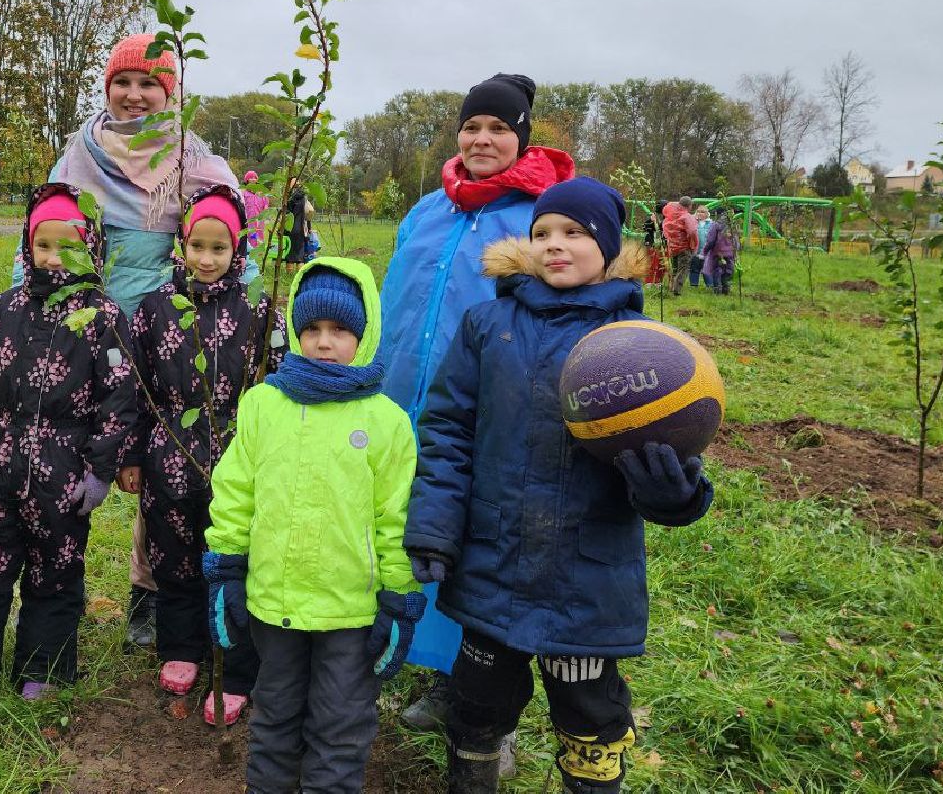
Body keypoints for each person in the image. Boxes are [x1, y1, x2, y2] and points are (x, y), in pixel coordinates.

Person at [404, 176, 715, 792]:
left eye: (574, 232)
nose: (555, 244)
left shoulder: (636, 347)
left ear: (608, 244)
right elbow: (448, 432)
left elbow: (677, 453)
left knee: (592, 717)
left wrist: (670, 492)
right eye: (542, 232)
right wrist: (435, 528)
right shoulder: (487, 326)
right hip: (495, 564)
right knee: (477, 704)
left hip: (588, 579)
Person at [12, 32, 251, 648]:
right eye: (124, 81)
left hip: (164, 340)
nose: (136, 95)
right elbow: (44, 239)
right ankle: (52, 588)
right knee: (71, 459)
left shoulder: (192, 160)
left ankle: (150, 593)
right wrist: (30, 310)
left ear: (169, 93)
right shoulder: (78, 156)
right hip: (84, 338)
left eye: (150, 84)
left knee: (165, 467)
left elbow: (229, 238)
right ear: (107, 87)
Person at [376, 73, 574, 744]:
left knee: (475, 538)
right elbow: (395, 296)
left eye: (498, 127)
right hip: (403, 397)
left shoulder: (538, 218)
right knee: (414, 523)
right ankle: (407, 650)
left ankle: (467, 685)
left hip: (488, 406)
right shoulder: (427, 210)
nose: (483, 138)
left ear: (520, 136)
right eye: (472, 126)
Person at [206, 259, 425, 794]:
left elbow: (396, 516)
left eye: (340, 330)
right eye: (312, 330)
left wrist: (399, 596)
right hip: (273, 604)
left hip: (350, 611)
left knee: (341, 724)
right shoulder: (263, 405)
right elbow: (236, 490)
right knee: (275, 713)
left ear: (365, 334)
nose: (325, 342)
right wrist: (226, 567)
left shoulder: (386, 422)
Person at [0, 184, 140, 733]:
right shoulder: (4, 310)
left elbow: (120, 399)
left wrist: (98, 470)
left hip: (63, 478)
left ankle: (41, 667)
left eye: (66, 247)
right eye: (43, 245)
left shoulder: (104, 318)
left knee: (56, 576)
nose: (53, 259)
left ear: (90, 249)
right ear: (28, 246)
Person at [119, 185, 286, 725]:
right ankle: (182, 648)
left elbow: (279, 385)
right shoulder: (155, 308)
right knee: (173, 560)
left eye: (220, 248)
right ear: (181, 246)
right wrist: (133, 454)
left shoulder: (259, 311)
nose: (207, 259)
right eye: (197, 246)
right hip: (168, 455)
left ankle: (237, 668)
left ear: (238, 250)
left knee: (234, 562)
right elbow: (138, 387)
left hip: (238, 460)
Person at [662, 195, 699, 295]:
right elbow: (692, 232)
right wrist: (694, 244)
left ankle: (671, 286)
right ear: (689, 205)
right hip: (684, 247)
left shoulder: (671, 215)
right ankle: (676, 290)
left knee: (674, 268)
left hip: (673, 247)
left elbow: (665, 229)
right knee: (683, 268)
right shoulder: (686, 217)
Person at [702, 206, 738, 294]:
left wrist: (705, 251)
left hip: (718, 253)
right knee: (728, 271)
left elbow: (710, 240)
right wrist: (736, 251)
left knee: (717, 271)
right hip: (730, 253)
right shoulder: (732, 225)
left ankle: (717, 291)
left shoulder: (716, 225)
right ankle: (726, 290)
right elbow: (736, 241)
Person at [239, 169, 270, 252]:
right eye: (250, 178)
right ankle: (250, 249)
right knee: (250, 234)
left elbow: (266, 204)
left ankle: (258, 250)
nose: (253, 179)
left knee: (259, 233)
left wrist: (266, 215)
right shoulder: (243, 192)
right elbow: (241, 204)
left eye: (255, 178)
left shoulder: (261, 192)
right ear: (247, 180)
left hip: (260, 219)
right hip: (248, 218)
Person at [689, 204, 713, 288]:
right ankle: (693, 285)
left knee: (707, 269)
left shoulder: (711, 224)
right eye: (698, 211)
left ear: (707, 214)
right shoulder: (693, 222)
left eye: (702, 212)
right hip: (695, 250)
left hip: (707, 251)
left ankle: (710, 285)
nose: (700, 213)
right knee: (694, 268)